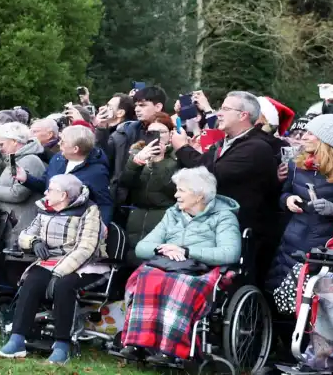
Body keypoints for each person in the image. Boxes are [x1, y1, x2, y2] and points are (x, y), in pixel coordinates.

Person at [120, 168, 241, 362]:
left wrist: (187, 251)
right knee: (147, 276)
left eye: (181, 190)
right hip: (168, 264)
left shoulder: (224, 217)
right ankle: (137, 342)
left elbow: (230, 253)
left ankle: (171, 349)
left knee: (178, 284)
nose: (175, 195)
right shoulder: (172, 214)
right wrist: (164, 249)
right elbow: (142, 247)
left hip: (202, 270)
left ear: (199, 195)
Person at [0, 174, 106, 365]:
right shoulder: (44, 208)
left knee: (64, 286)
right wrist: (34, 241)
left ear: (63, 195)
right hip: (50, 261)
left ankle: (62, 346)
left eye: (50, 190)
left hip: (84, 263)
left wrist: (59, 272)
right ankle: (17, 339)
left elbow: (86, 248)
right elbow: (24, 235)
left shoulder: (89, 211)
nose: (46, 192)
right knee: (32, 280)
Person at [171, 90, 279, 281]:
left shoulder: (256, 147)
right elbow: (199, 167)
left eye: (225, 109)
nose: (219, 113)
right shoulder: (224, 143)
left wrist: (182, 149)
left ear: (243, 115)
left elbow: (210, 175)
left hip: (243, 231)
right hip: (217, 226)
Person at [267, 114, 333, 290]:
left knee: (316, 299)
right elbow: (283, 194)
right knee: (281, 291)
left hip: (327, 245)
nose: (303, 137)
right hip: (293, 238)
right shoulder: (296, 164)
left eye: (310, 133)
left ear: (326, 140)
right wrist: (288, 200)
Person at [18, 124, 113, 225]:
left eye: (63, 142)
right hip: (49, 220)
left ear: (75, 149)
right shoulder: (57, 159)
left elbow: (104, 203)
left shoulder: (97, 172)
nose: (59, 144)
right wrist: (26, 179)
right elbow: (45, 186)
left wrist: (103, 226)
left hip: (75, 227)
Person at [119, 113, 179, 260]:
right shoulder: (138, 153)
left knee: (156, 259)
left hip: (164, 216)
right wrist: (136, 162)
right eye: (152, 133)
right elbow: (125, 183)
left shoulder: (178, 157)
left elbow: (172, 190)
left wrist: (159, 162)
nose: (157, 136)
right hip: (137, 216)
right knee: (132, 258)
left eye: (162, 132)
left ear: (171, 134)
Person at [0, 122, 46, 246]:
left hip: (23, 225)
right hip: (13, 223)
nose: (0, 148)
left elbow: (18, 194)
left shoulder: (30, 160)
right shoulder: (15, 159)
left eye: (2, 144)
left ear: (14, 141)